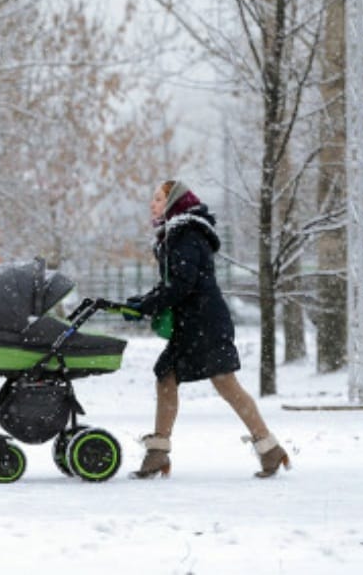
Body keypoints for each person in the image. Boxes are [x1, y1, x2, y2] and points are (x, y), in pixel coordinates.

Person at [124, 180, 290, 479]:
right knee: (172, 376)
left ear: (174, 201)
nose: (153, 204)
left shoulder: (184, 233)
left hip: (203, 322)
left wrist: (149, 305)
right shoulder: (176, 234)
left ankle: (268, 448)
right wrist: (145, 301)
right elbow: (175, 282)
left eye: (159, 198)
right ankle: (159, 452)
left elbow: (183, 284)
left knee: (222, 382)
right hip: (196, 321)